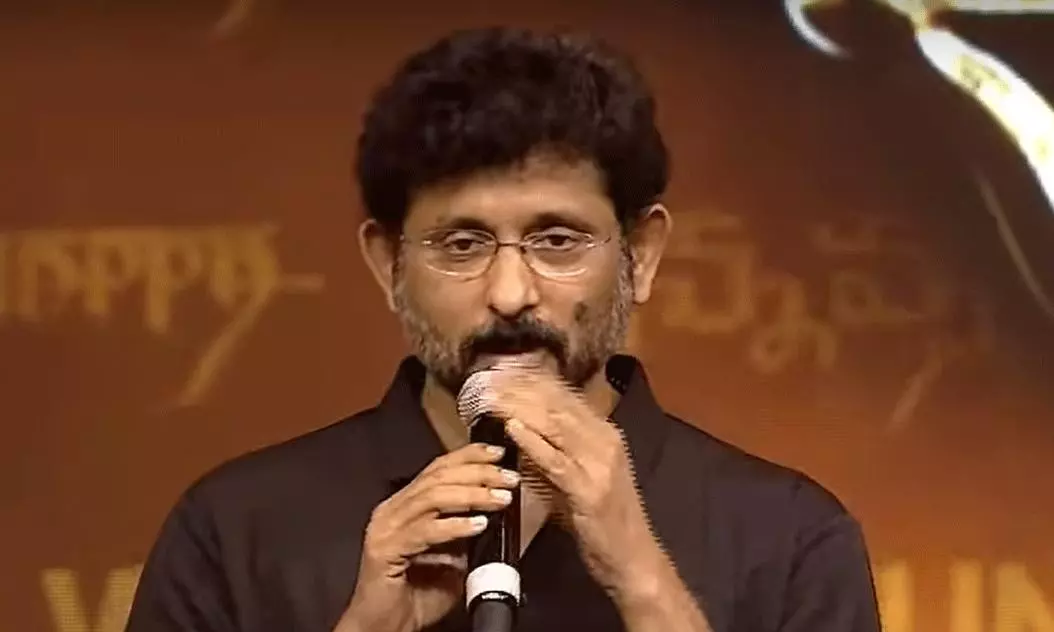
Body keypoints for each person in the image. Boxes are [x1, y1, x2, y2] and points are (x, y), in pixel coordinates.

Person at [125, 26, 882, 632]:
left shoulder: (790, 538)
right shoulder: (236, 532)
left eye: (557, 240)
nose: (511, 294)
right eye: (462, 245)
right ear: (387, 264)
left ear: (641, 256)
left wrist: (644, 580)